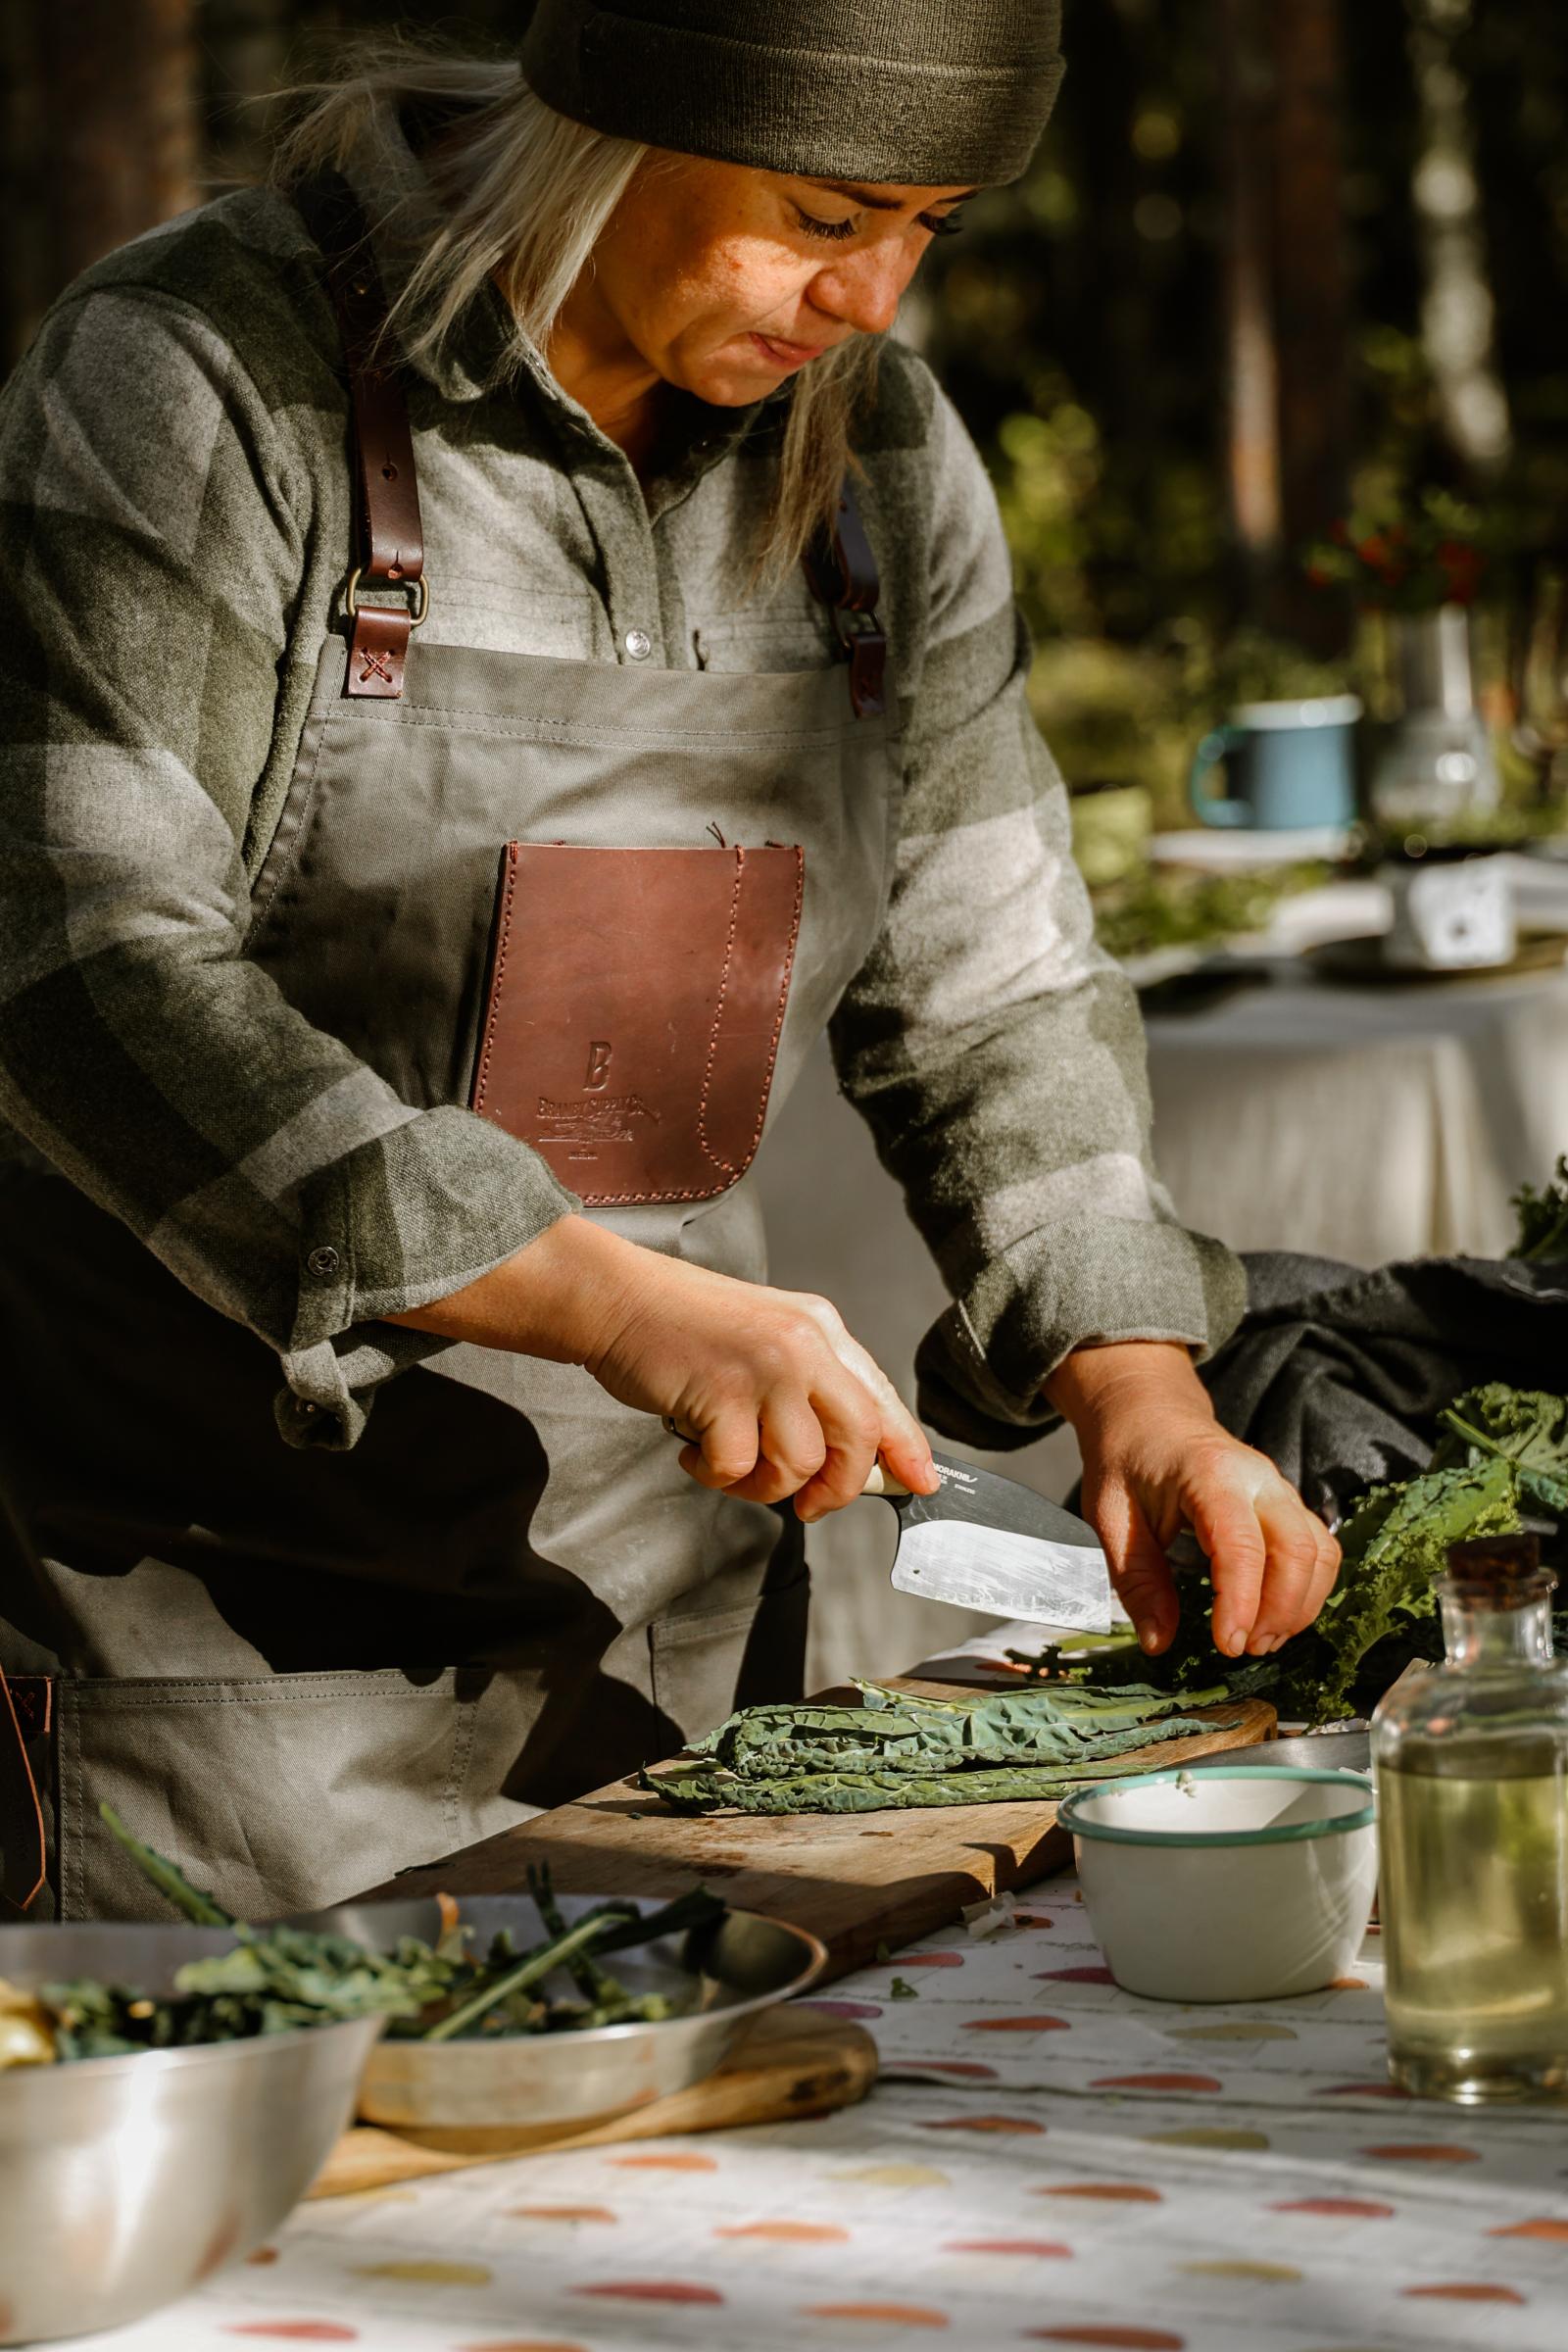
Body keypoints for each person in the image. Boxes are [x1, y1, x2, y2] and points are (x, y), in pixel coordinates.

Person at [0, 0, 1339, 1920]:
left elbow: (991, 976)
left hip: (678, 1643)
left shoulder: (878, 455)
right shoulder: (199, 375)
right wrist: (620, 1308)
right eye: (823, 215)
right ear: (612, 127)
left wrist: (1136, 1389)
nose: (872, 300)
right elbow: (82, 962)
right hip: (208, 1653)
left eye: (929, 228)